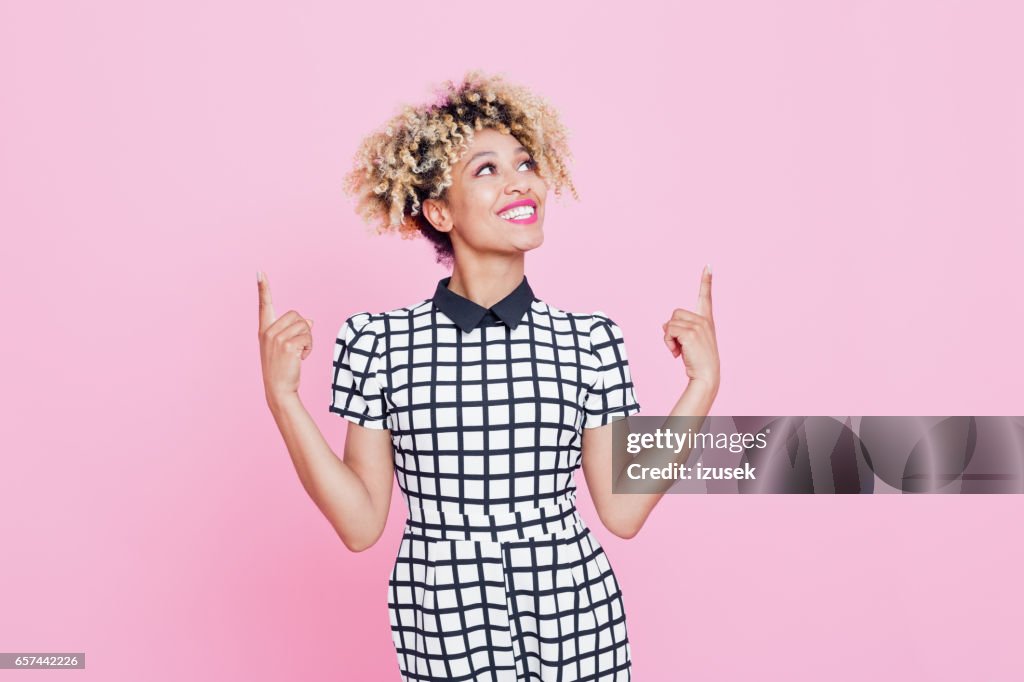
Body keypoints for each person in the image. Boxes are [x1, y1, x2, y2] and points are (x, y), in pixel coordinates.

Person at [258, 70, 721, 682]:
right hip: (443, 626)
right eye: (487, 169)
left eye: (525, 163)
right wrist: (285, 400)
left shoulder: (588, 341)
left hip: (575, 624)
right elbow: (361, 523)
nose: (520, 181)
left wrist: (701, 387)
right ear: (439, 210)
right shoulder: (379, 344)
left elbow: (623, 512)